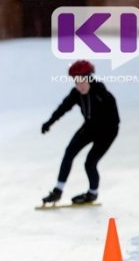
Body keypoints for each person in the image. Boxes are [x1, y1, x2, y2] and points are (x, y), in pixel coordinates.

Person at [41, 60, 120, 204]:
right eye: (76, 82)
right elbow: (63, 108)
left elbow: (115, 120)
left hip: (107, 132)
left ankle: (92, 193)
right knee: (69, 152)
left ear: (90, 78)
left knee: (90, 163)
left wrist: (103, 132)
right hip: (89, 128)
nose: (79, 85)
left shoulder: (102, 94)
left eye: (82, 81)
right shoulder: (76, 93)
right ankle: (57, 191)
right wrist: (49, 122)